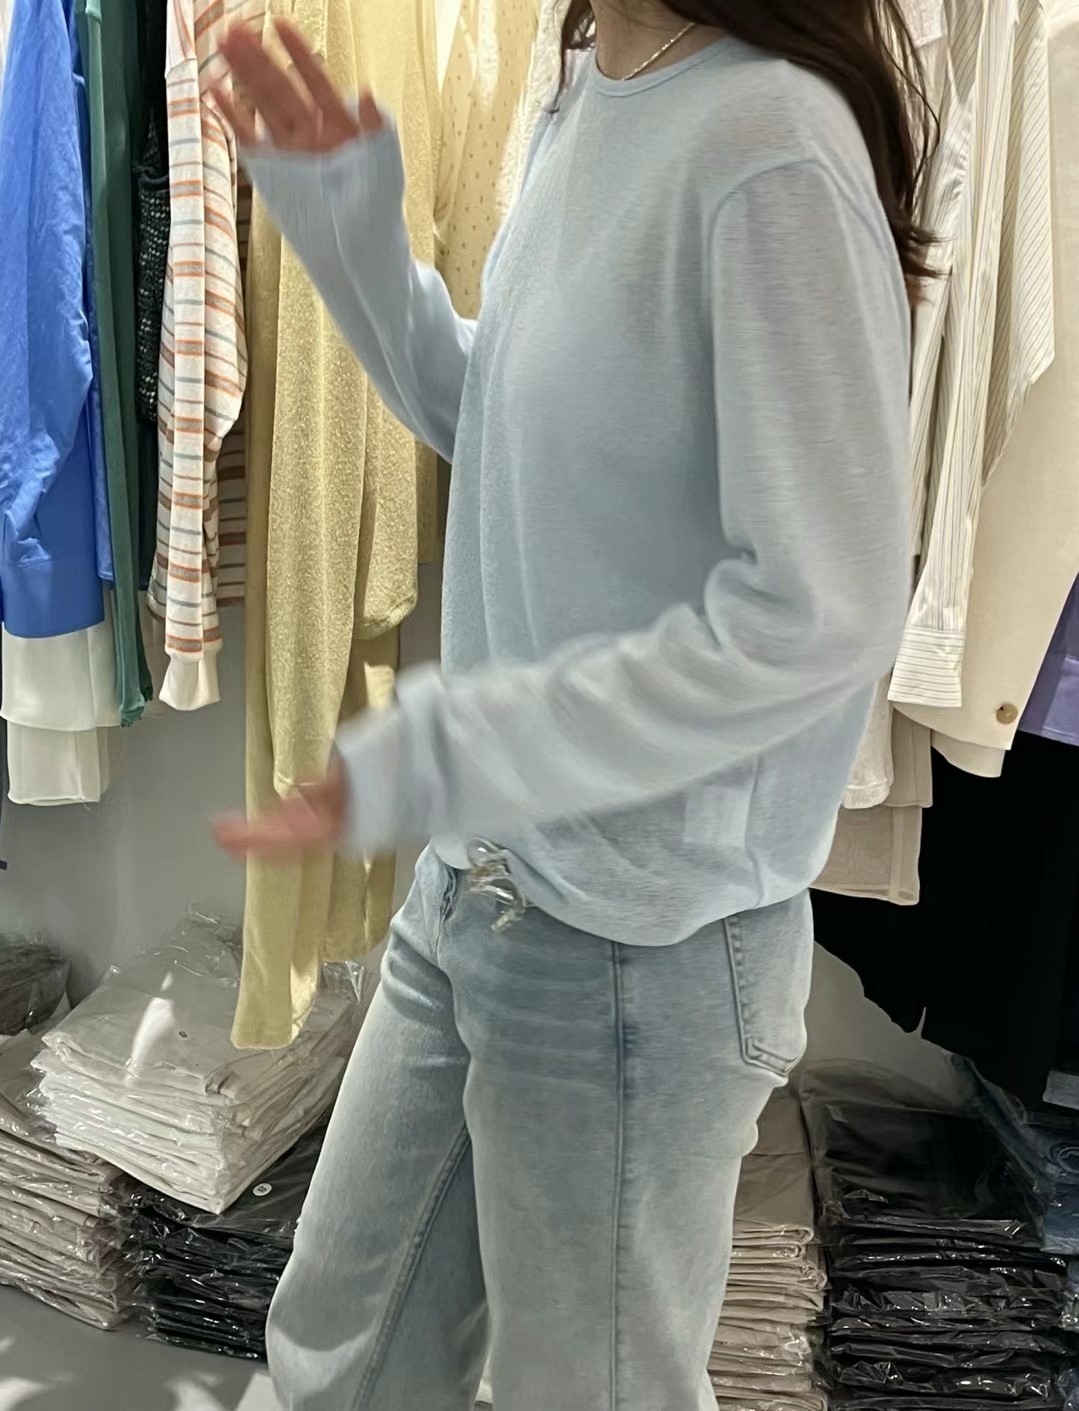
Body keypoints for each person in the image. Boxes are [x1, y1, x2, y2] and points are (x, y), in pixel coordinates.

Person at [213, 2, 926, 1405]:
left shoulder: (771, 139)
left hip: (637, 941)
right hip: (482, 884)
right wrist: (352, 235)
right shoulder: (593, 72)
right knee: (335, 1355)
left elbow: (822, 609)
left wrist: (476, 740)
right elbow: (506, 421)